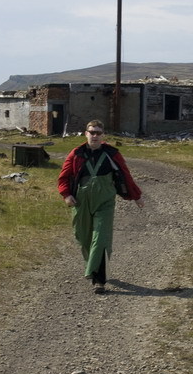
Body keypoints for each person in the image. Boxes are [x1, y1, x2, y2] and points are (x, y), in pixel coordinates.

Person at [57, 120, 144, 294]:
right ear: (86, 133)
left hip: (105, 201)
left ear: (103, 135)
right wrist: (66, 195)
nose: (95, 136)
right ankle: (92, 266)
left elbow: (125, 175)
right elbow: (63, 177)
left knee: (101, 238)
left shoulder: (112, 154)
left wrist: (136, 196)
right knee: (83, 238)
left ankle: (99, 279)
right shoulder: (76, 154)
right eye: (92, 132)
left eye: (98, 133)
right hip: (81, 201)